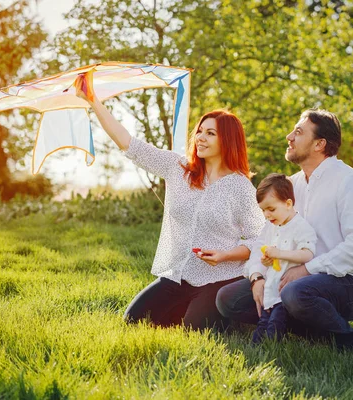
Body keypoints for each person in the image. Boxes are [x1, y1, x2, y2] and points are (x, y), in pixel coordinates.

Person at [75, 74, 265, 331]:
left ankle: (236, 319)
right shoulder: (178, 169)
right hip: (179, 275)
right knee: (134, 322)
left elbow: (259, 239)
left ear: (228, 141)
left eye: (210, 133)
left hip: (219, 278)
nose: (200, 138)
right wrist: (93, 101)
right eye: (200, 131)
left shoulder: (240, 186)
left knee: (196, 331)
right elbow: (129, 144)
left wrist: (225, 256)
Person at [216, 108, 353, 350]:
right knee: (228, 299)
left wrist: (307, 269)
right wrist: (257, 277)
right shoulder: (289, 186)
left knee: (295, 293)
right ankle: (315, 331)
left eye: (299, 132)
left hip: (348, 283)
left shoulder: (348, 181)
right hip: (289, 278)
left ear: (319, 144)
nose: (289, 136)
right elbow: (265, 239)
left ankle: (350, 340)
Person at [249, 173, 317, 344]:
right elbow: (269, 253)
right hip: (271, 289)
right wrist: (267, 261)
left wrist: (279, 254)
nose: (266, 215)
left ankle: (273, 350)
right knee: (262, 324)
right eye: (263, 210)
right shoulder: (274, 226)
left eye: (271, 209)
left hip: (285, 292)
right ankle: (255, 350)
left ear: (288, 204)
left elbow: (308, 253)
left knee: (275, 325)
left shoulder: (300, 227)